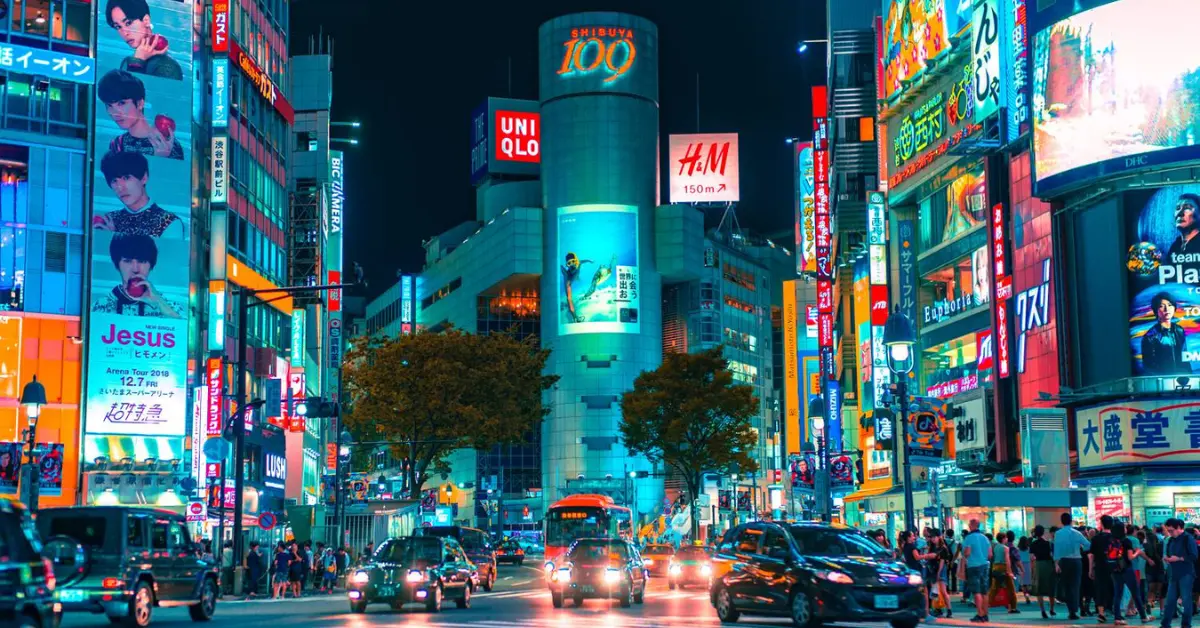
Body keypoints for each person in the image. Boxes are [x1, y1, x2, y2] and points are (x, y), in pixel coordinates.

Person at [91, 233, 184, 318]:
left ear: (151, 265)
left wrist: (159, 302)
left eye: (142, 261)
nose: (135, 269)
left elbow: (186, 332)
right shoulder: (101, 306)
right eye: (127, 261)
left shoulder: (170, 306)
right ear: (117, 265)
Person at [97, 69, 183, 159]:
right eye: (109, 105)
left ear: (140, 103)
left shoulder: (168, 144)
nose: (114, 113)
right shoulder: (117, 144)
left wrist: (161, 158)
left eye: (121, 103)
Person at [96, 151, 181, 237]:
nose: (120, 187)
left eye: (126, 178)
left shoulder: (168, 222)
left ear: (144, 178)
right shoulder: (109, 220)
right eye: (114, 181)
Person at [104, 0, 183, 79]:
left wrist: (137, 62)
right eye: (118, 27)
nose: (125, 33)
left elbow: (133, 90)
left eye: (128, 23)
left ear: (146, 21)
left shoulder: (167, 66)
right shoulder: (127, 62)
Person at [1111, 521, 1150, 625]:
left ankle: (1117, 618)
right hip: (1127, 570)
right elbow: (1130, 557)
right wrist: (1137, 551)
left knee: (1117, 594)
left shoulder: (1111, 541)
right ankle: (1144, 616)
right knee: (1136, 593)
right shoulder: (1126, 541)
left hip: (1115, 570)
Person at [1161, 517, 1197, 628]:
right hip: (1173, 573)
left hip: (1186, 573)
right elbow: (1168, 553)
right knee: (1170, 601)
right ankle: (1165, 624)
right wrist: (1167, 558)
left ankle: (1186, 624)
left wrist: (1179, 558)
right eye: (1168, 531)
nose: (1170, 533)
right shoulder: (1171, 540)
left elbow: (1194, 556)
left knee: (1186, 600)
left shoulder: (1188, 538)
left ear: (1179, 528)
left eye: (1171, 530)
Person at [1142, 291, 1189, 375]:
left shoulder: (1179, 330)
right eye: (1161, 306)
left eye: (1170, 305)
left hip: (1181, 379)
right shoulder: (1150, 337)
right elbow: (1149, 368)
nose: (1167, 309)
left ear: (1174, 308)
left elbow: (1185, 358)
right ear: (1156, 311)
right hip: (1162, 382)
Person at [1055, 512, 1091, 620]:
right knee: (1075, 586)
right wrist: (1081, 548)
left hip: (1063, 561)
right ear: (1071, 521)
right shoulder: (1077, 533)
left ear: (1061, 521)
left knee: (1066, 585)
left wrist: (1056, 563)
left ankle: (1070, 608)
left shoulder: (1058, 533)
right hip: (1076, 561)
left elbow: (1056, 550)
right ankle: (1074, 611)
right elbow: (1088, 545)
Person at [960, 518, 993, 624]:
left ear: (973, 525)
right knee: (984, 591)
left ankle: (979, 614)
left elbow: (967, 553)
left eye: (969, 523)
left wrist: (964, 554)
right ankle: (985, 614)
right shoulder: (985, 538)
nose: (968, 525)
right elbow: (990, 555)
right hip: (985, 565)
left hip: (973, 566)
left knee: (976, 591)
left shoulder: (969, 538)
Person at [988, 530, 1018, 614]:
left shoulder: (995, 547)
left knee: (994, 588)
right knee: (1010, 588)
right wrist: (1010, 572)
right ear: (1003, 538)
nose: (1007, 539)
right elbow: (1007, 561)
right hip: (1003, 567)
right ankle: (1013, 607)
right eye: (1006, 538)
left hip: (995, 567)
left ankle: (987, 603)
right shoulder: (1006, 548)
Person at [1031, 525, 1058, 618]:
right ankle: (1052, 609)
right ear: (1043, 532)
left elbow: (1032, 557)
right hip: (1048, 565)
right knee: (1051, 587)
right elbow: (1053, 555)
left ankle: (1042, 610)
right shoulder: (1049, 543)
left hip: (1038, 565)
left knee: (1039, 589)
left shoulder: (1033, 544)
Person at [1018, 535, 1033, 603]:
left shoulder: (1017, 549)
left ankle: (1025, 595)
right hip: (1027, 565)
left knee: (1023, 582)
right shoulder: (1029, 549)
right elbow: (1031, 558)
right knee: (1027, 582)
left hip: (1020, 566)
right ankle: (1027, 594)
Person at [946, 529, 960, 594]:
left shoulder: (944, 541)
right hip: (954, 561)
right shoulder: (955, 542)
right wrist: (953, 561)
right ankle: (954, 590)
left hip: (946, 561)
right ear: (953, 534)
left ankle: (947, 589)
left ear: (946, 534)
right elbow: (955, 553)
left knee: (946, 575)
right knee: (954, 576)